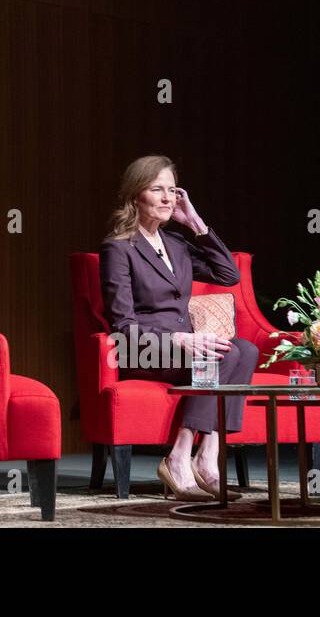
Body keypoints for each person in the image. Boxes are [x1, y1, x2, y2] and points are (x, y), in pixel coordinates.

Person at [98, 155, 258, 501]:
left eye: (173, 190)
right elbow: (122, 325)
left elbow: (228, 275)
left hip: (186, 349)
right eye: (158, 189)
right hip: (146, 349)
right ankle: (180, 456)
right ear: (135, 196)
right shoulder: (118, 248)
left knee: (247, 349)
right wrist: (179, 339)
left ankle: (206, 456)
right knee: (222, 354)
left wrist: (196, 224)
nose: (169, 198)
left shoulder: (176, 244)